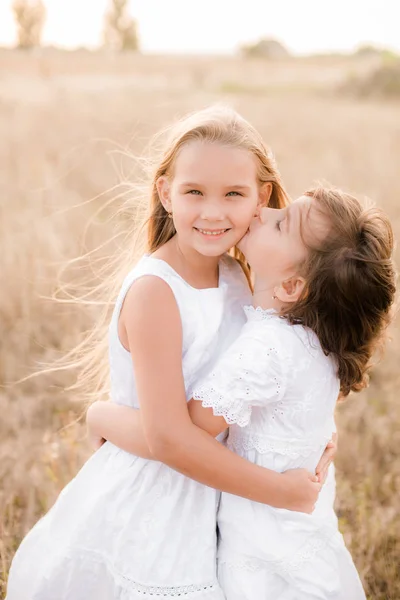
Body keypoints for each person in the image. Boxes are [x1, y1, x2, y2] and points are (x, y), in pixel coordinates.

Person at [6, 106, 334, 600]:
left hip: (219, 495)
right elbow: (169, 439)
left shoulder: (243, 277)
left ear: (260, 198)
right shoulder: (157, 291)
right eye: (194, 192)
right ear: (165, 192)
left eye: (234, 194)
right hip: (156, 504)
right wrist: (282, 491)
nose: (213, 212)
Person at [88, 186, 396, 599]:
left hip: (261, 553)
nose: (263, 213)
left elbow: (177, 435)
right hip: (303, 540)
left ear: (291, 287)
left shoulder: (265, 350)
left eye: (281, 223)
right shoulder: (316, 341)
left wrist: (99, 415)